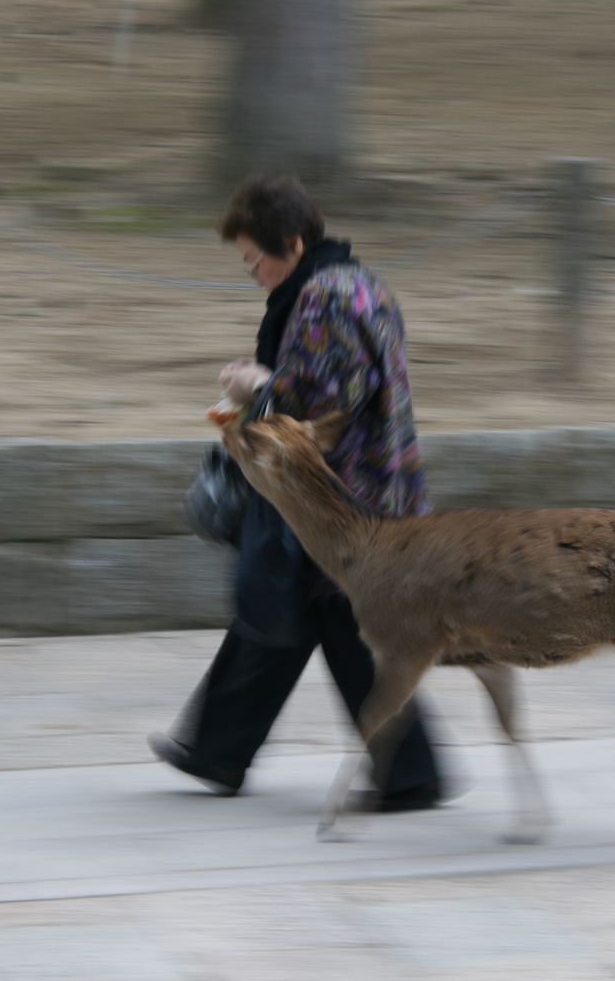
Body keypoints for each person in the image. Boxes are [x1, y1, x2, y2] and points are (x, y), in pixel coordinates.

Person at [148, 177, 449, 811]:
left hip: (343, 496)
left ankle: (408, 770)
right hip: (368, 487)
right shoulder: (358, 283)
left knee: (325, 615)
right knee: (298, 610)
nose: (254, 275)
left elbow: (324, 407)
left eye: (257, 261)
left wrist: (254, 386)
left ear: (291, 242)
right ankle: (220, 749)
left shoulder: (325, 300)